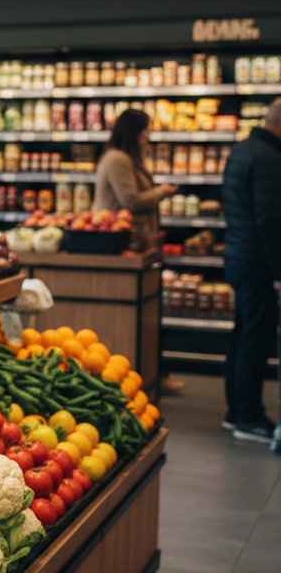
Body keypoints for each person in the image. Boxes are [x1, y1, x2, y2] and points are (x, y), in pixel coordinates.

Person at [93, 110, 185, 394]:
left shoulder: (129, 159)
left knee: (150, 311)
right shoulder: (118, 159)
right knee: (139, 314)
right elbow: (130, 200)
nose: (149, 137)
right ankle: (147, 374)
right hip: (122, 246)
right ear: (134, 132)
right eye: (146, 131)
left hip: (139, 246)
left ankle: (154, 372)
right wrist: (162, 192)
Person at [222, 97, 281, 445]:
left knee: (242, 334)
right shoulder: (270, 158)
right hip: (257, 261)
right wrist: (278, 271)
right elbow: (270, 221)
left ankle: (235, 412)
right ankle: (249, 416)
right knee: (256, 337)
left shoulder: (242, 149)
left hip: (238, 255)